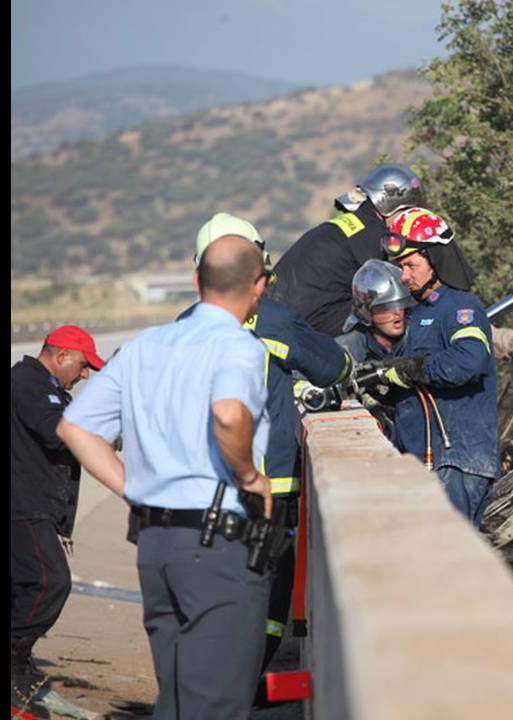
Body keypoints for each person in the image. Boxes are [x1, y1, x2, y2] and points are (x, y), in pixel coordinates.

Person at [57, 232, 275, 719]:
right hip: (219, 542)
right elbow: (228, 413)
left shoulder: (146, 346)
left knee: (176, 698)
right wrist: (249, 476)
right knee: (214, 703)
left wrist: (133, 489)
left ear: (197, 280)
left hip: (156, 543)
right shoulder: (239, 347)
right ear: (258, 287)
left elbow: (76, 427)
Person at [182, 212, 353, 677]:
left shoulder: (184, 327)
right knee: (267, 587)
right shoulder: (273, 319)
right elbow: (333, 366)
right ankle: (247, 677)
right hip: (269, 484)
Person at [374, 207, 498, 527]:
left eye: (411, 265)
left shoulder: (460, 308)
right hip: (431, 461)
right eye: (401, 267)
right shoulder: (424, 313)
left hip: (456, 462)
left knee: (450, 566)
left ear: (436, 261)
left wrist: (410, 369)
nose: (404, 276)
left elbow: (467, 361)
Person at [11, 325, 105, 705]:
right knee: (50, 582)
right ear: (61, 355)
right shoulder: (31, 385)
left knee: (24, 587)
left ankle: (19, 666)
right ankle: (14, 664)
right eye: (83, 366)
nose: (85, 375)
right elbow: (58, 433)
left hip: (35, 507)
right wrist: (106, 432)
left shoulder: (43, 387)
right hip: (24, 508)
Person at [268, 163, 426, 336]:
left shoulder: (350, 225)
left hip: (276, 314)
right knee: (386, 314)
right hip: (306, 322)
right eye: (406, 211)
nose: (408, 219)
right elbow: (383, 290)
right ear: (390, 205)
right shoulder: (374, 236)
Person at [336, 259, 415, 442]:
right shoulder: (348, 348)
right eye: (386, 307)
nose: (397, 313)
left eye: (400, 305)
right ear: (366, 312)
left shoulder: (417, 339)